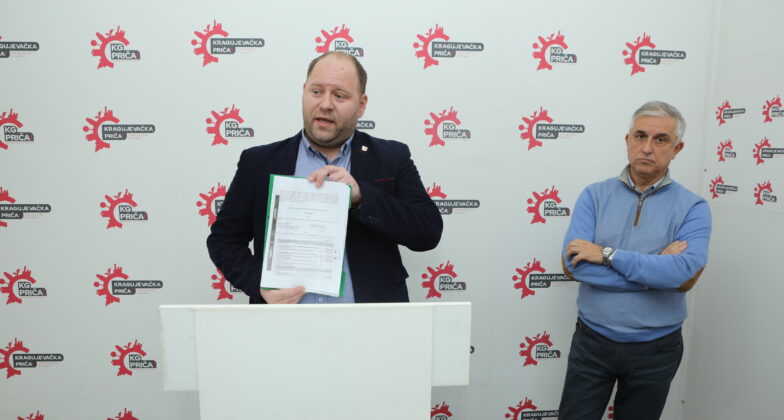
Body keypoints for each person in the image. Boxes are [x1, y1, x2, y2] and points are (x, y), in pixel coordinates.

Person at [207, 51, 442, 304]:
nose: (326, 104)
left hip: (371, 320)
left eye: (339, 95)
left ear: (361, 105)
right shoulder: (259, 162)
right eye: (317, 91)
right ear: (304, 92)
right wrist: (260, 284)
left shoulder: (391, 157)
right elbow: (224, 240)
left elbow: (427, 231)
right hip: (285, 321)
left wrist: (362, 197)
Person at [558, 101, 712, 419]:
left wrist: (607, 254)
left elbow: (683, 277)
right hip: (592, 342)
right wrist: (655, 273)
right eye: (640, 136)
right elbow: (574, 265)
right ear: (628, 140)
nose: (647, 147)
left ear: (677, 148)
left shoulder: (693, 207)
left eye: (660, 139)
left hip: (656, 349)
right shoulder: (594, 196)